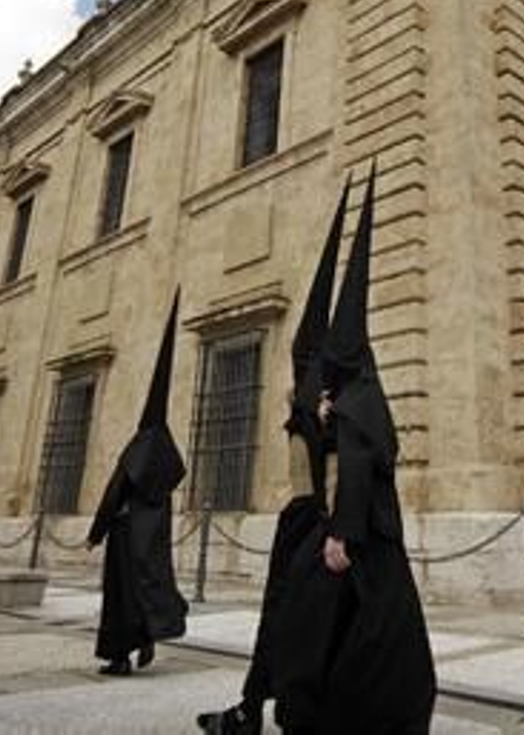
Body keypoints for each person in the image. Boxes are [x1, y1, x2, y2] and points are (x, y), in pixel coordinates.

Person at [269, 164, 437, 734]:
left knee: (342, 633)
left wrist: (341, 531)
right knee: (356, 634)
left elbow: (360, 464)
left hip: (357, 536)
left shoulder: (356, 401)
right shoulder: (360, 395)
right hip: (362, 537)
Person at [199, 178, 350, 734]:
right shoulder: (307, 405)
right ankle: (250, 708)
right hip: (303, 526)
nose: (297, 374)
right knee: (281, 623)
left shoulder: (347, 410)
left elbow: (347, 468)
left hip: (326, 527)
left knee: (308, 628)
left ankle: (276, 711)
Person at [86, 291, 189, 676]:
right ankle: (146, 637)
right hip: (153, 535)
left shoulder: (140, 445)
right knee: (146, 587)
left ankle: (119, 657)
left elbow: (116, 489)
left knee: (121, 595)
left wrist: (96, 532)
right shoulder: (166, 452)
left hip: (127, 532)